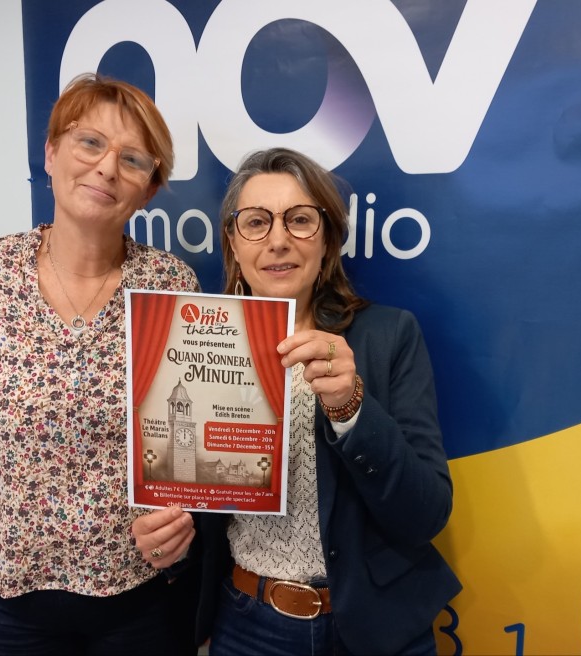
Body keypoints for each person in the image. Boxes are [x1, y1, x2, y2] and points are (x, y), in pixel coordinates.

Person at [0, 72, 199, 656]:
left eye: (133, 159)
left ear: (148, 190)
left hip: (140, 601)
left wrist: (183, 518)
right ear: (50, 152)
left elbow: (188, 447)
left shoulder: (171, 286)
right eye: (90, 142)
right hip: (7, 605)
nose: (107, 168)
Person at [143, 147, 462, 654]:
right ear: (233, 243)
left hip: (375, 627)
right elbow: (196, 515)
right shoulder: (192, 345)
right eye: (256, 222)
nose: (278, 240)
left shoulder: (389, 336)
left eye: (299, 220)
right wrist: (170, 539)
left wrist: (352, 408)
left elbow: (426, 515)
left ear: (327, 239)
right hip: (249, 626)